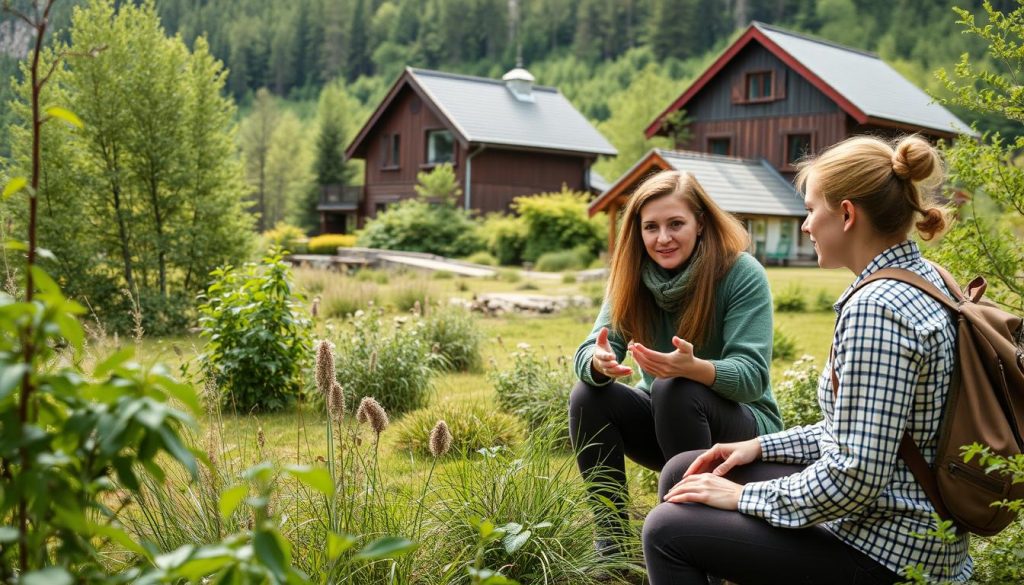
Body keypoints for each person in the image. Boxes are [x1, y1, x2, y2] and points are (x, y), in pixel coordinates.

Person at [642, 135, 971, 584]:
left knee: (666, 529)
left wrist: (742, 498)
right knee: (690, 469)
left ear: (848, 215)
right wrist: (758, 447)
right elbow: (861, 432)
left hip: (889, 552)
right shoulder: (928, 278)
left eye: (812, 209)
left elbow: (855, 477)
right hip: (905, 525)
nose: (805, 225)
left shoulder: (878, 310)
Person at [569, 170, 783, 553]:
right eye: (651, 227)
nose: (662, 238)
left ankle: (693, 540)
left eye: (676, 224)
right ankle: (614, 543)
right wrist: (598, 361)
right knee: (588, 395)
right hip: (668, 421)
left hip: (743, 432)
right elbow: (592, 347)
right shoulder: (632, 278)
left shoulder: (740, 273)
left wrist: (694, 368)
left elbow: (752, 378)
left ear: (700, 223)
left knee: (675, 386)